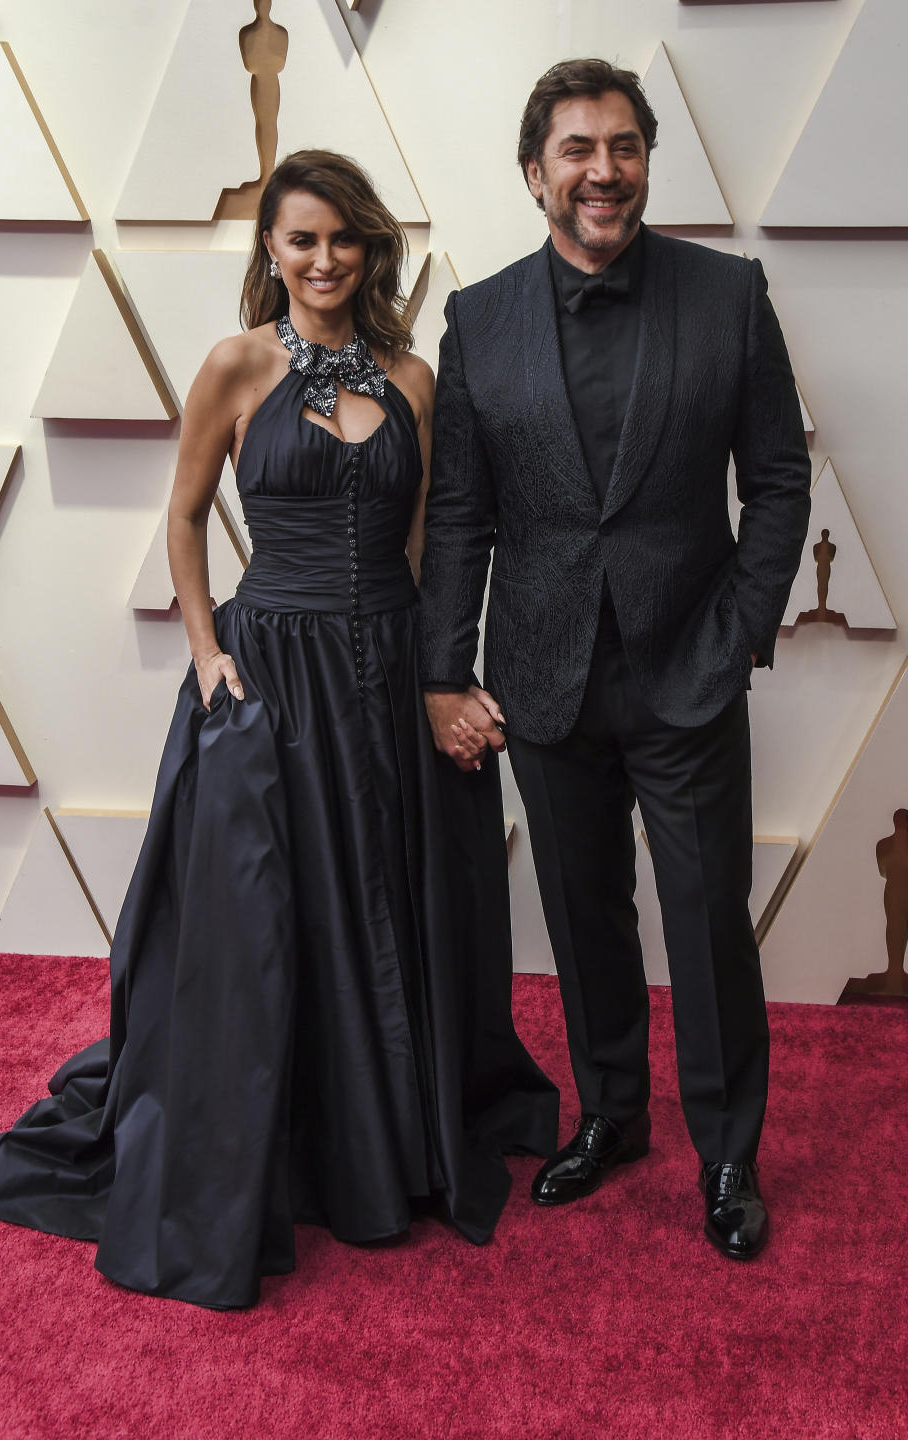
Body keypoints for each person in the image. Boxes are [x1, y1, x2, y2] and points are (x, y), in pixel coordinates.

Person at [0, 150, 558, 1309]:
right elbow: (185, 519)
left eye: (345, 240)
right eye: (302, 240)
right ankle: (292, 1144)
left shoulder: (413, 377)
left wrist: (443, 674)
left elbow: (432, 547)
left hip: (387, 670)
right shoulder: (235, 365)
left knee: (382, 900)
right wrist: (207, 655)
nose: (326, 260)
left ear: (371, 249)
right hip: (271, 675)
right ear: (271, 251)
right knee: (274, 919)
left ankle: (393, 1139)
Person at [419, 61, 811, 1260]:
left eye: (625, 147)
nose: (605, 170)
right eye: (579, 150)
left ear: (648, 160)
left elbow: (781, 480)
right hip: (542, 672)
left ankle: (728, 1150)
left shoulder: (730, 295)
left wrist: (743, 625)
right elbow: (461, 515)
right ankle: (612, 1118)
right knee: (586, 915)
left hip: (687, 668)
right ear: (535, 173)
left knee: (705, 920)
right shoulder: (478, 319)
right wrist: (444, 670)